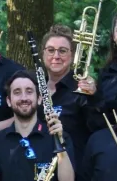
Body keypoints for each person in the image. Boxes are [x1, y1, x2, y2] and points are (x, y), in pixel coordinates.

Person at [40, 24, 95, 158]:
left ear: (73, 55)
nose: (56, 56)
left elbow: (96, 128)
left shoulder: (82, 89)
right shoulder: (33, 87)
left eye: (63, 51)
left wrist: (94, 97)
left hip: (73, 168)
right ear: (43, 53)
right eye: (51, 50)